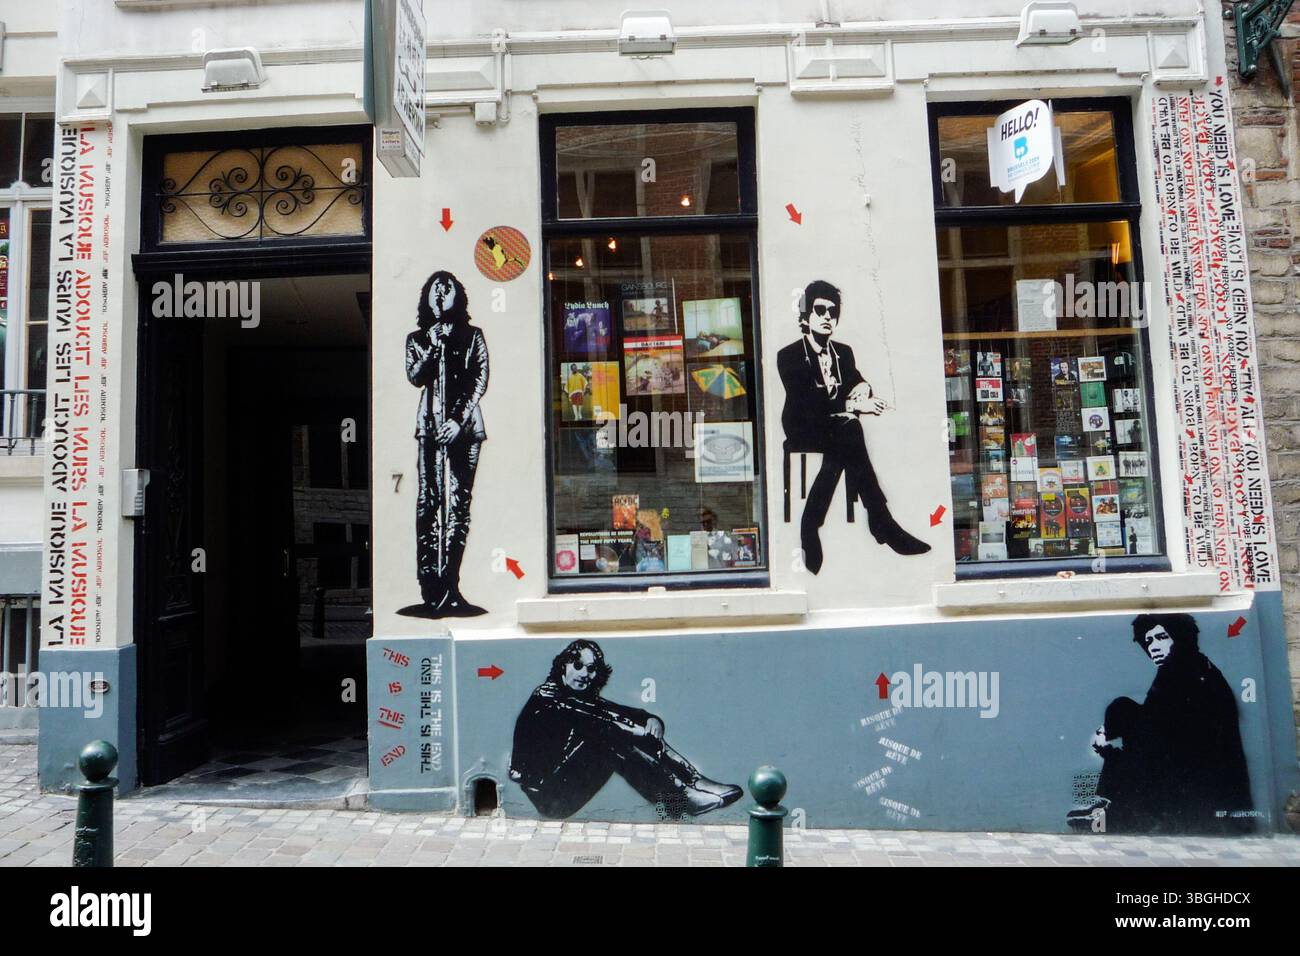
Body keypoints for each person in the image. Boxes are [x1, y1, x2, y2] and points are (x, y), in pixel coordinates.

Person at [776, 279, 930, 574]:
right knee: (850, 428)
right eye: (819, 310)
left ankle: (811, 524)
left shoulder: (843, 352)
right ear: (805, 316)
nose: (826, 317)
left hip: (836, 430)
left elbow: (855, 379)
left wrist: (863, 389)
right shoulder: (789, 355)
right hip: (803, 426)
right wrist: (852, 407)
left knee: (848, 432)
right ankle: (881, 521)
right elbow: (808, 404)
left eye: (832, 313)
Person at [509, 640, 743, 820]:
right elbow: (605, 723)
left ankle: (696, 782)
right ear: (563, 667)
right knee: (612, 742)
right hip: (549, 795)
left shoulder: (576, 697)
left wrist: (650, 719)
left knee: (616, 736)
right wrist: (640, 733)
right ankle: (682, 798)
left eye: (590, 669)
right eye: (577, 665)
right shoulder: (550, 697)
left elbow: (616, 710)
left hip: (562, 784)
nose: (584, 674)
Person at [1069, 613, 1253, 834]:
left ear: (1179, 637)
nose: (1153, 647)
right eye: (1149, 641)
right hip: (1192, 768)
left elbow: (1156, 729)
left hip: (1194, 776)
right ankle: (1109, 808)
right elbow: (1156, 722)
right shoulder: (1194, 665)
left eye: (1161, 637)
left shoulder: (1178, 669)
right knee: (1124, 714)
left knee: (1122, 711)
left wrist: (1109, 739)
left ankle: (1113, 812)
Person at [399, 270, 489, 618]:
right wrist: (432, 345)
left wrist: (457, 420)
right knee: (429, 502)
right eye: (436, 288)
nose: (441, 295)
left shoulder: (473, 336)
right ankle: (430, 586)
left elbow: (478, 379)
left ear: (458, 296)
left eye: (448, 288)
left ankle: (450, 585)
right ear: (426, 296)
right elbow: (415, 376)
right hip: (429, 429)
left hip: (464, 430)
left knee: (458, 506)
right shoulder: (417, 338)